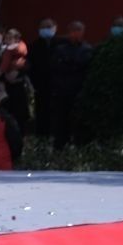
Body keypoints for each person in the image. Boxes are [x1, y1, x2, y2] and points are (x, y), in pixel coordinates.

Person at [48, 21, 94, 149]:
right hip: (62, 91)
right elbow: (56, 67)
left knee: (79, 120)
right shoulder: (60, 49)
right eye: (73, 30)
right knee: (61, 121)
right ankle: (60, 146)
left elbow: (85, 65)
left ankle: (80, 145)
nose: (76, 34)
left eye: (78, 30)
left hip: (79, 91)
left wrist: (70, 63)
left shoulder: (87, 49)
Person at [28, 17, 58, 137]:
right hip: (40, 86)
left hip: (58, 85)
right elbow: (30, 67)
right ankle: (41, 139)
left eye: (49, 27)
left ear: (55, 28)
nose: (46, 29)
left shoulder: (61, 44)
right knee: (41, 112)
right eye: (43, 27)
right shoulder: (34, 46)